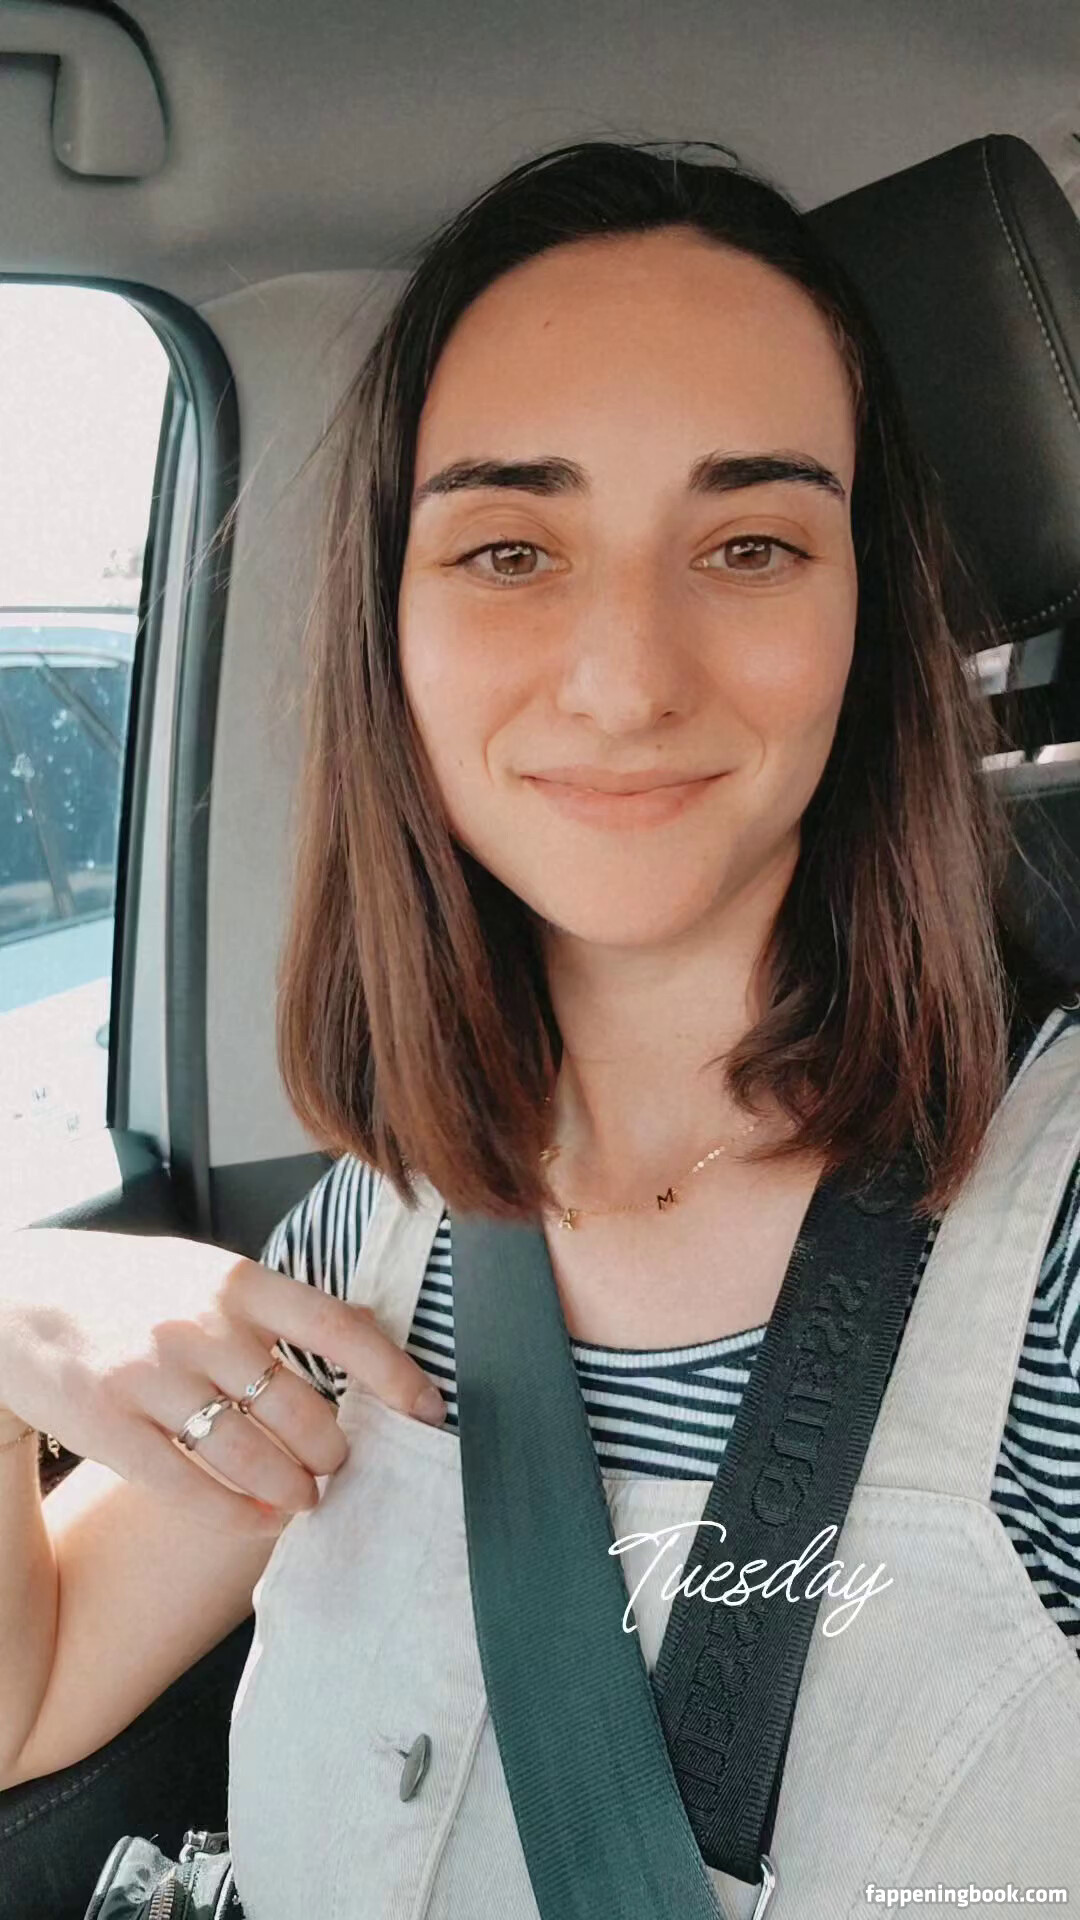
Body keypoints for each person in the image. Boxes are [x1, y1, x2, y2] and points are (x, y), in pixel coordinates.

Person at [1, 138, 1078, 1917]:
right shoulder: (381, 1225)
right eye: (510, 548)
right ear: (391, 627)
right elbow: (29, 1698)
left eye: (751, 543)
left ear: (866, 613)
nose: (628, 677)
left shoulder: (1056, 1262)